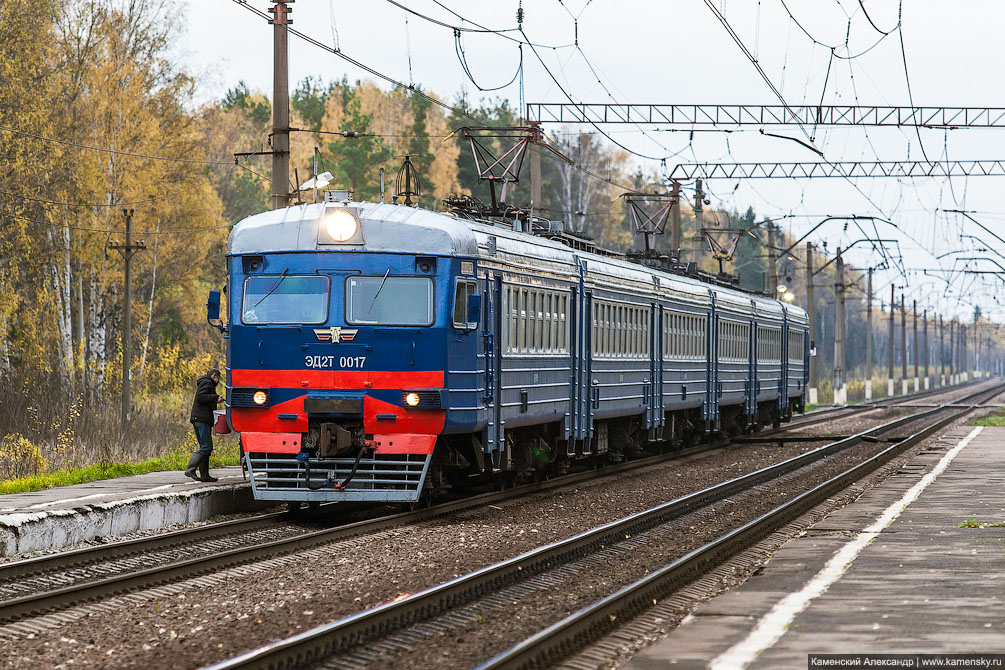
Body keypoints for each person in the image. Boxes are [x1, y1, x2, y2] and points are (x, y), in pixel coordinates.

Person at [186, 368, 222, 482]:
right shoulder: (207, 382)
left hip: (200, 418)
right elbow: (201, 397)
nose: (218, 381)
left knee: (205, 447)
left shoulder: (205, 382)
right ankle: (190, 469)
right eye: (218, 378)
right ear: (214, 376)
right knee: (206, 446)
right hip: (202, 419)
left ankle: (204, 475)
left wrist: (215, 400)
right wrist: (215, 397)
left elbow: (204, 398)